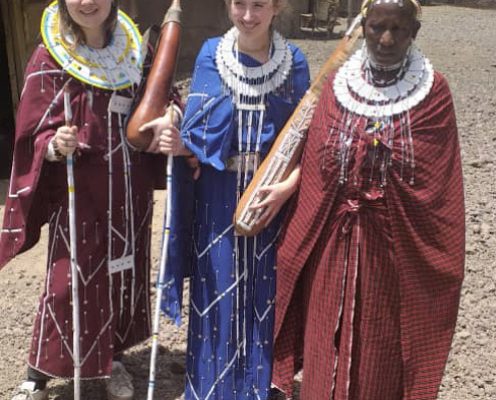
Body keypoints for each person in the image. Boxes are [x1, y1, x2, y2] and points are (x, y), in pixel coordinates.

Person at [271, 0, 465, 399]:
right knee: (327, 335)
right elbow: (318, 162)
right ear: (363, 27)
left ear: (415, 32)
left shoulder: (432, 91)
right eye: (377, 27)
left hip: (391, 251)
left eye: (398, 28)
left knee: (379, 349)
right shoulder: (340, 84)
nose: (387, 39)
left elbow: (438, 186)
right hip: (332, 243)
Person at [0, 1, 180, 399]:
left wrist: (171, 118)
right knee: (69, 281)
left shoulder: (137, 50)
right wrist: (53, 143)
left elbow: (163, 98)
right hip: (78, 188)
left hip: (129, 189)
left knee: (121, 273)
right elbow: (31, 130)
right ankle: (39, 371)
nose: (87, 2)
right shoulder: (50, 56)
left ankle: (110, 359)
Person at [148, 0, 309, 398]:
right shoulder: (210, 56)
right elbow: (199, 129)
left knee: (266, 291)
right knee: (217, 288)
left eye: (259, 5)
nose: (248, 16)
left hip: (272, 198)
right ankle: (210, 387)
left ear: (277, 8)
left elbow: (309, 138)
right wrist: (180, 141)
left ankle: (259, 385)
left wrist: (289, 186)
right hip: (216, 196)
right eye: (240, 4)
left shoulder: (295, 63)